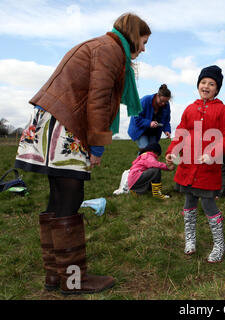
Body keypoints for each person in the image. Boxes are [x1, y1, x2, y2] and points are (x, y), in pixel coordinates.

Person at [14, 13, 151, 294]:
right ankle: (74, 280)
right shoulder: (110, 50)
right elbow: (99, 97)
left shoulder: (98, 45)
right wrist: (97, 145)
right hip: (67, 124)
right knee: (71, 196)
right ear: (134, 35)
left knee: (58, 196)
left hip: (51, 120)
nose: (144, 49)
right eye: (144, 41)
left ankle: (55, 276)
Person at [165, 65, 225, 263]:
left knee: (208, 203)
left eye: (211, 84)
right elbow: (180, 133)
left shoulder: (223, 110)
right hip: (188, 166)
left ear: (217, 89)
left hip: (207, 168)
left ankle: (219, 244)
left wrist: (213, 153)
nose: (206, 86)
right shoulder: (189, 108)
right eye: (203, 82)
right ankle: (190, 239)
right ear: (198, 85)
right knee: (189, 202)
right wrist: (172, 152)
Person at [128, 84, 172, 148]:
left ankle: (141, 158)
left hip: (153, 132)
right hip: (140, 130)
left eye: (166, 101)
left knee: (153, 150)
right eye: (162, 101)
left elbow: (166, 121)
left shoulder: (166, 105)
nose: (163, 104)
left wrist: (167, 130)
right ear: (157, 95)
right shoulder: (145, 100)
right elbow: (136, 118)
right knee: (146, 148)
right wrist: (149, 123)